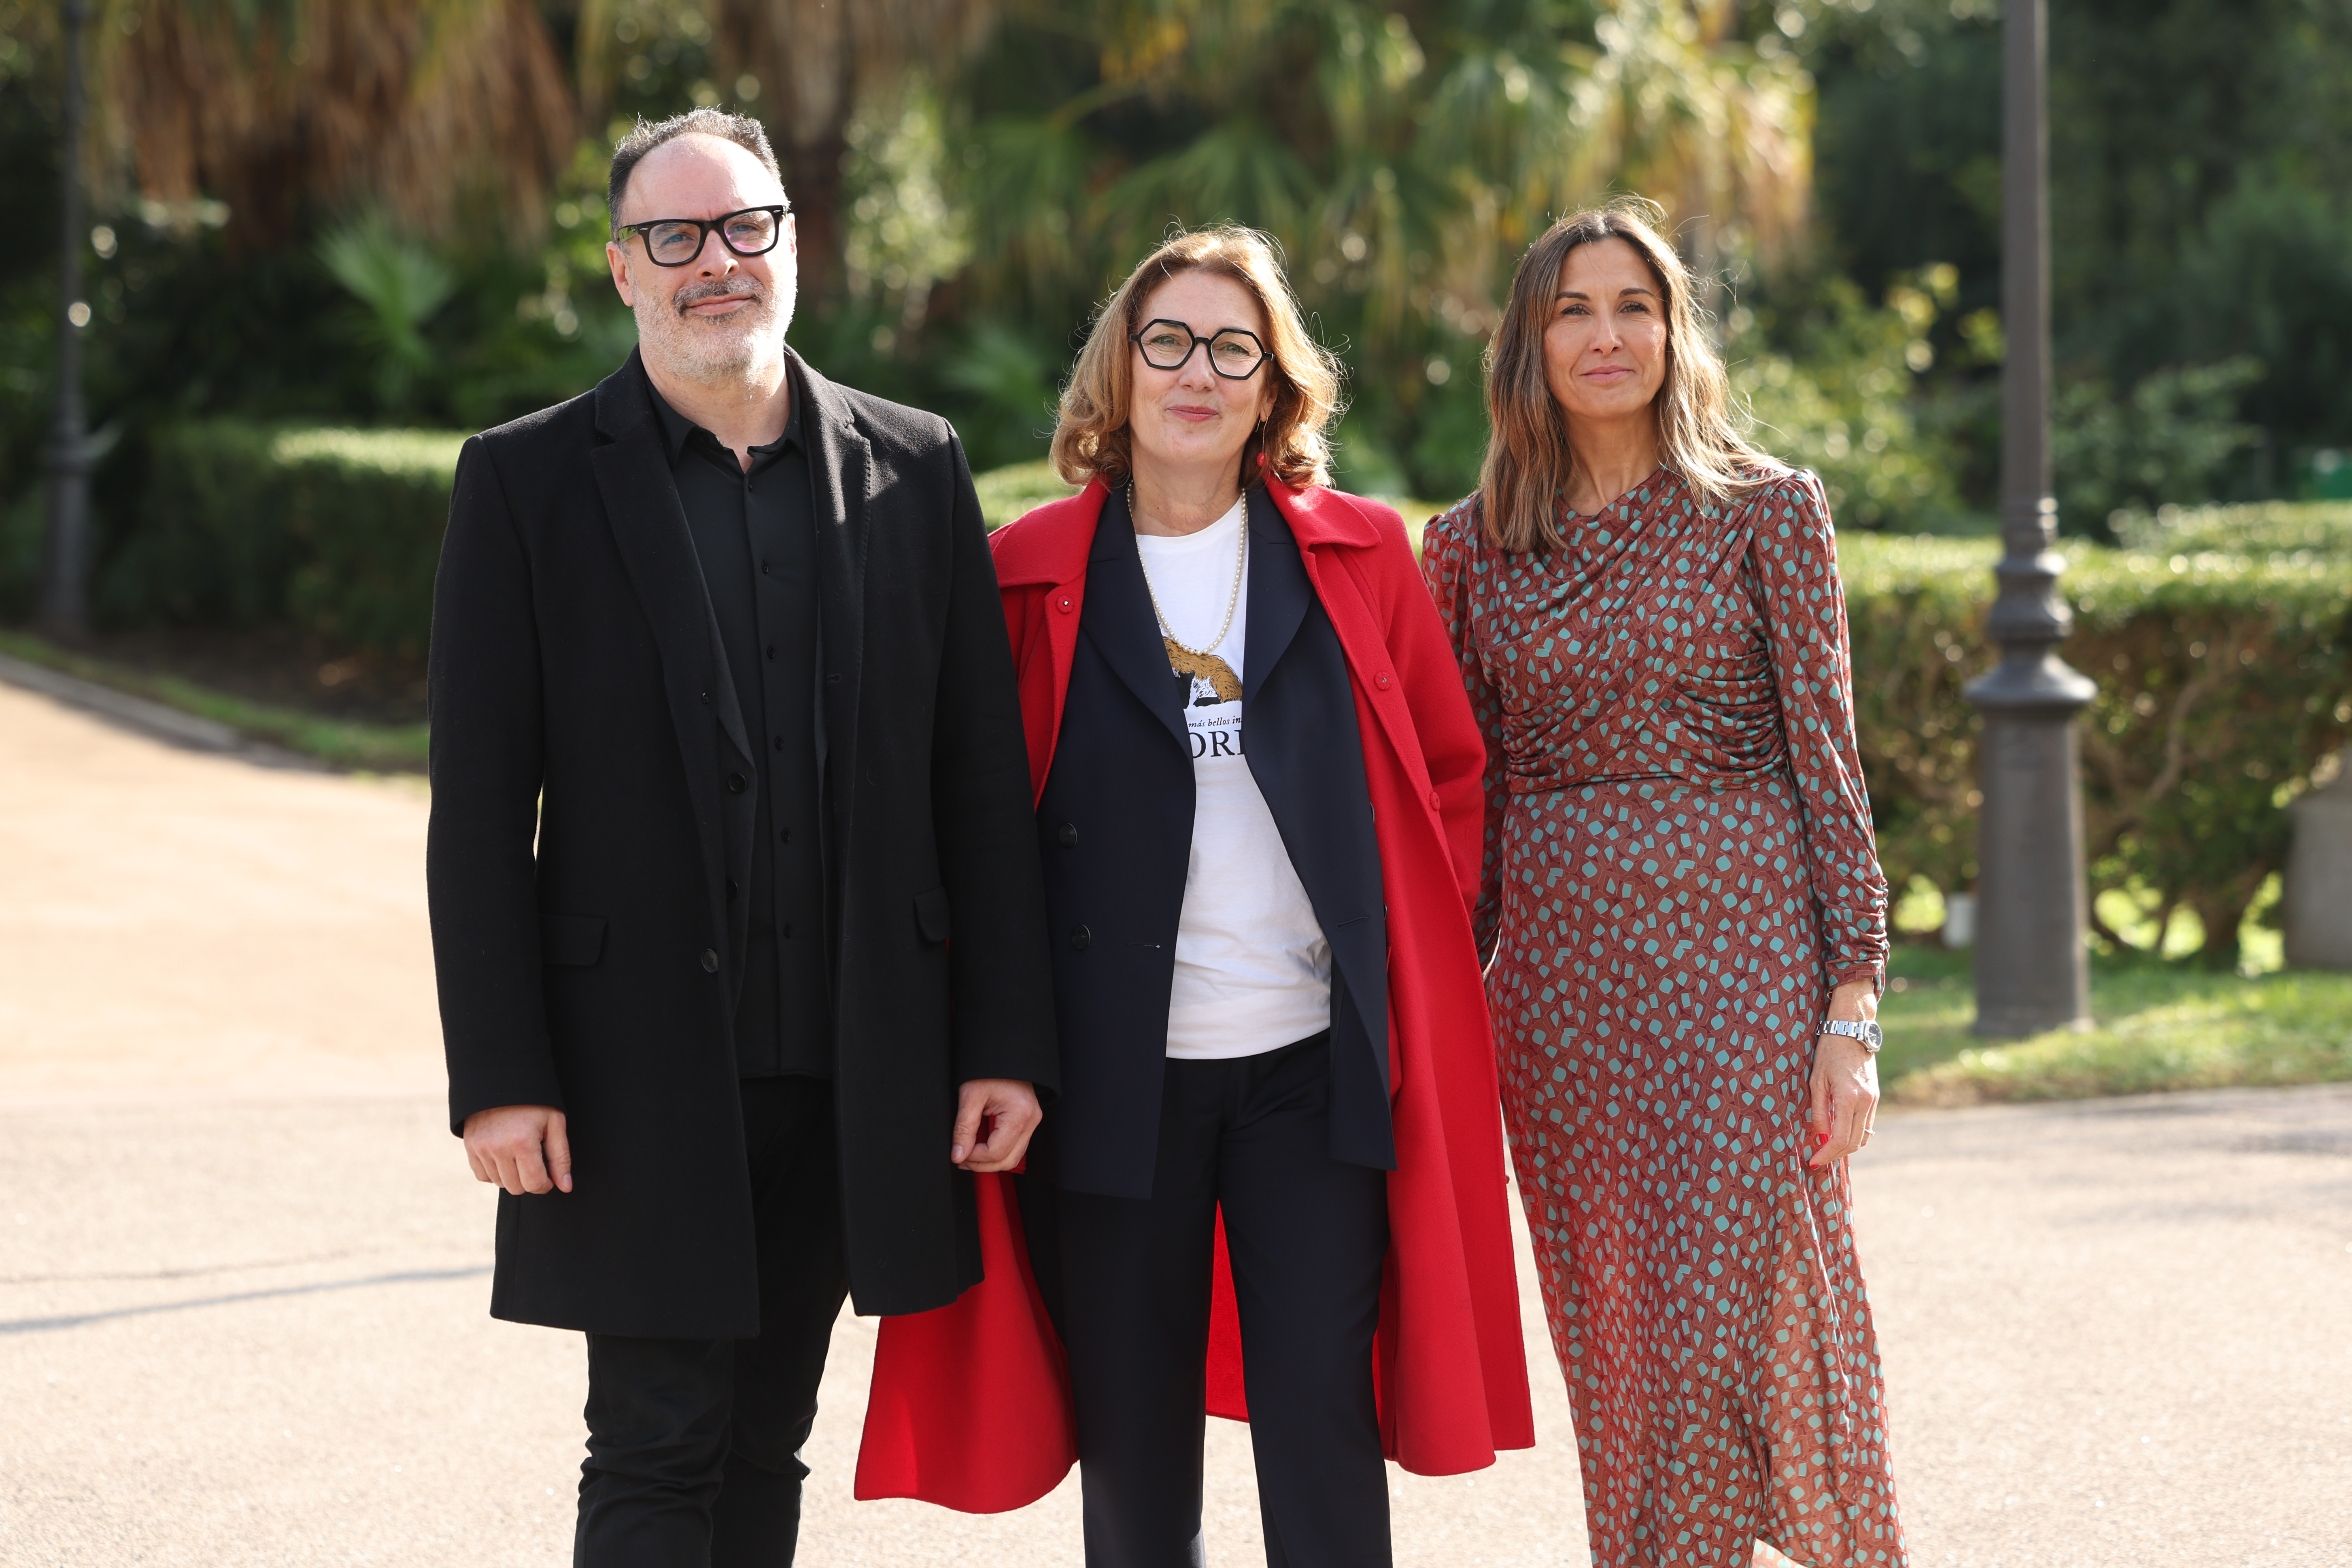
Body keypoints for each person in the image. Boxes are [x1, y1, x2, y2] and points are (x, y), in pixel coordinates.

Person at [426, 107, 1056, 1567]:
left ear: (789, 242)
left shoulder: (917, 465)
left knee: (769, 1437)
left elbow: (978, 785)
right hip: (627, 1057)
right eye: (676, 235)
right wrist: (499, 1077)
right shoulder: (522, 482)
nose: (717, 260)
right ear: (621, 268)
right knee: (654, 1438)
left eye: (743, 227)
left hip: (862, 1059)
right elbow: (477, 810)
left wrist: (1003, 1043)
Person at [858, 225, 1534, 1564]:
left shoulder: (1359, 557)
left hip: (1307, 1071)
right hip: (1111, 1078)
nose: (1197, 372)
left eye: (1234, 348)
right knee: (1134, 1441)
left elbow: (1445, 783)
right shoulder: (1027, 569)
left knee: (1320, 1424)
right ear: (1119, 372)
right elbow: (972, 828)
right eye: (1167, 340)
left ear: (1275, 389)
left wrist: (1402, 963)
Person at [1419, 200, 1908, 1568]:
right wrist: (1438, 1014)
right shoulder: (1464, 549)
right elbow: (1475, 809)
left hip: (1747, 966)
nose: (1605, 334)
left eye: (1632, 304)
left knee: (1731, 1320)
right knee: (1624, 1348)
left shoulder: (1768, 512)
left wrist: (1852, 1007)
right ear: (1528, 341)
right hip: (1566, 1003)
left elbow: (1829, 764)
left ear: (1673, 329)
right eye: (1572, 308)